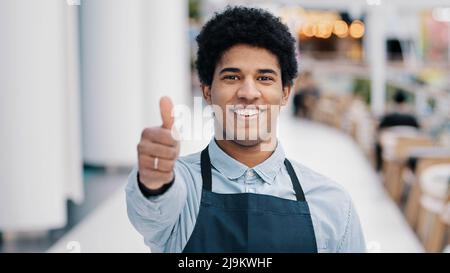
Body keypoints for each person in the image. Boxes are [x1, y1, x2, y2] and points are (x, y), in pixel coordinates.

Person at [126, 6, 366, 253]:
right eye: (232, 77)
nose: (249, 93)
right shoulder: (182, 187)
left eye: (264, 78)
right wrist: (154, 183)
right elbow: (151, 212)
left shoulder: (332, 203)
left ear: (285, 93)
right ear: (207, 91)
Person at [375, 89, 420, 171]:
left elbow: (380, 128)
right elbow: (418, 129)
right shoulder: (411, 116)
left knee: (379, 143)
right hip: (409, 151)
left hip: (393, 150)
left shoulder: (390, 116)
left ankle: (380, 168)